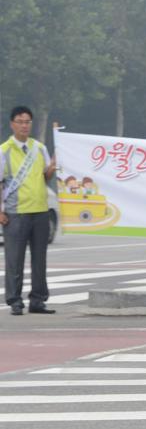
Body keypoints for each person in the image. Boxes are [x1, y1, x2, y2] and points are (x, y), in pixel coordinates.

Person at [2, 106, 57, 316]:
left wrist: (52, 167)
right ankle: (15, 301)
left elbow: (45, 177)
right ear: (12, 124)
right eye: (20, 121)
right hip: (16, 212)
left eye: (27, 122)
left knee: (39, 259)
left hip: (40, 211)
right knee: (14, 259)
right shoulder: (4, 150)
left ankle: (38, 300)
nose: (24, 125)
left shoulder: (39, 148)